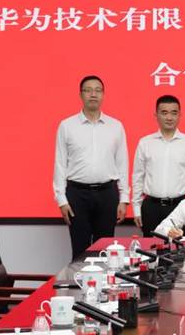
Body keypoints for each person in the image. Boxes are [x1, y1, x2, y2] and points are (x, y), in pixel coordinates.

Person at [53, 75, 129, 260]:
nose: (93, 94)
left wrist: (124, 198)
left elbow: (122, 163)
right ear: (81, 95)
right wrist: (61, 200)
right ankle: (79, 280)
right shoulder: (67, 126)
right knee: (80, 250)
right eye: (88, 90)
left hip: (107, 194)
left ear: (103, 95)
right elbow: (60, 163)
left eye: (98, 90)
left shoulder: (115, 126)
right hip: (77, 195)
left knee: (105, 249)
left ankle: (104, 280)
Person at [132, 95, 185, 237]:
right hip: (151, 207)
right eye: (164, 113)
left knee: (179, 248)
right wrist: (136, 208)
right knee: (151, 248)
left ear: (179, 115)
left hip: (179, 206)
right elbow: (138, 177)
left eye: (174, 113)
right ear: (156, 115)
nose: (169, 117)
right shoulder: (145, 143)